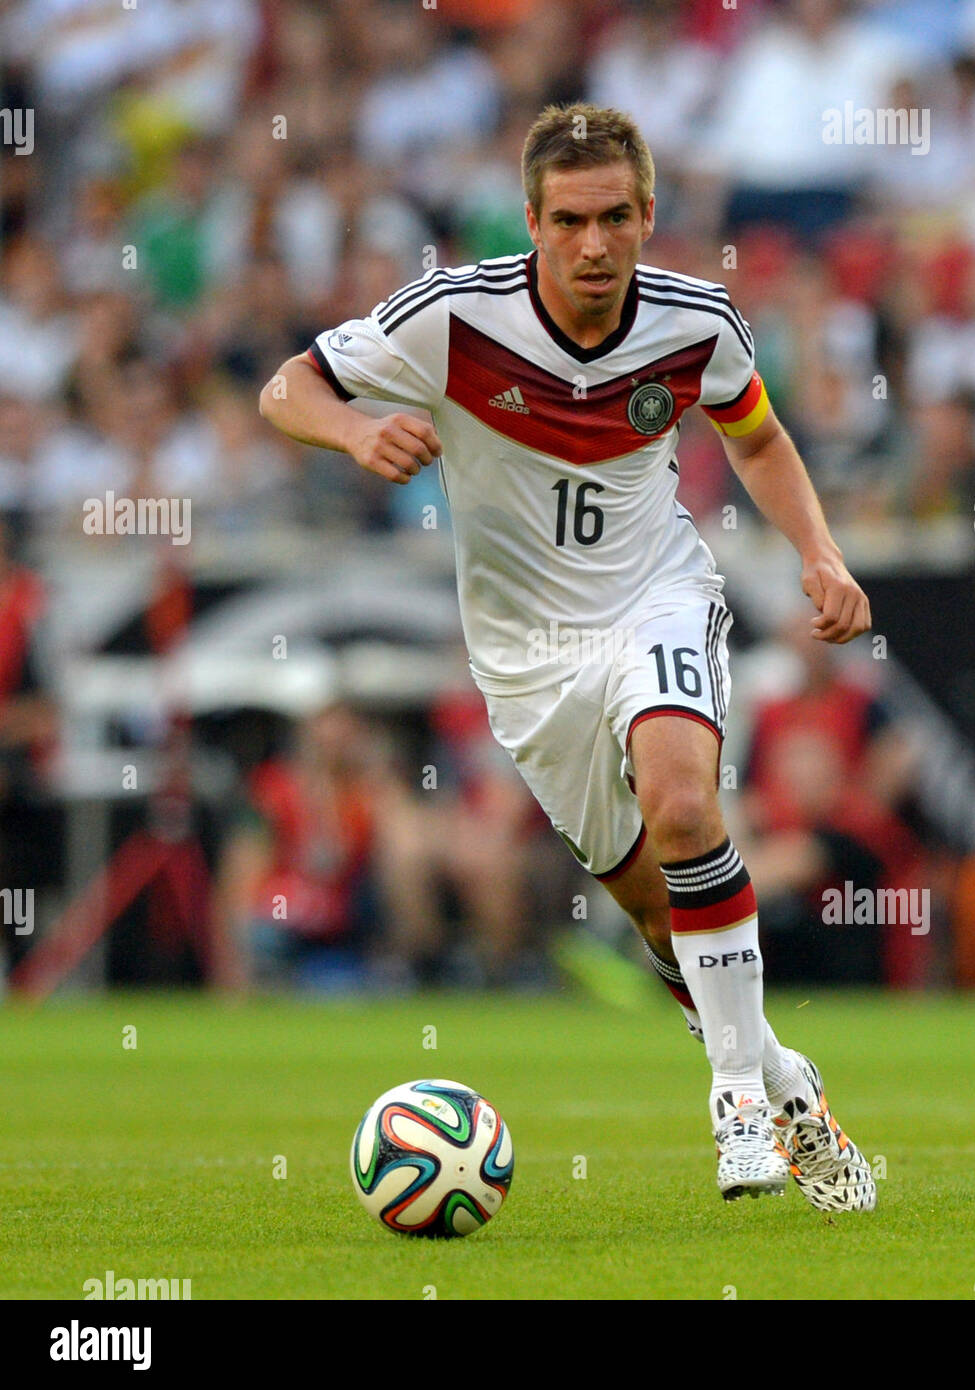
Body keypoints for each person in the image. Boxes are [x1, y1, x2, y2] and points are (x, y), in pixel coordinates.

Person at [260, 103, 876, 1210]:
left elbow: (758, 435)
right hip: (525, 658)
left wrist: (819, 554)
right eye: (569, 221)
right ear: (532, 222)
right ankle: (784, 1077)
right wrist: (356, 432)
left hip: (654, 598)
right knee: (653, 909)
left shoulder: (696, 325)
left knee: (686, 809)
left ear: (648, 215)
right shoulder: (450, 317)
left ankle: (737, 1097)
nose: (593, 245)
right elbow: (286, 387)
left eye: (614, 218)